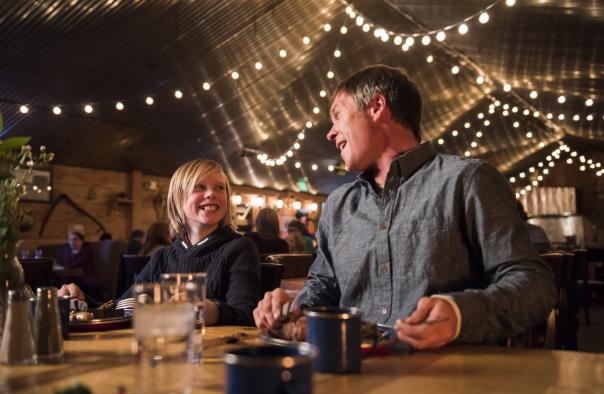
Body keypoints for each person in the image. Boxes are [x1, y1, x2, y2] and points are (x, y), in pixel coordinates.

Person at [254, 65, 557, 349]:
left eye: (337, 115)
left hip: (447, 375)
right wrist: (291, 306)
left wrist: (460, 313)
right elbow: (323, 285)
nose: (330, 133)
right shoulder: (337, 205)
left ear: (376, 107)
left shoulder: (467, 180)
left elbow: (535, 285)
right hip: (353, 372)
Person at [59, 159, 261, 326]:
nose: (211, 193)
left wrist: (214, 311)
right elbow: (124, 307)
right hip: (166, 352)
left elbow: (248, 316)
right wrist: (83, 302)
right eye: (199, 187)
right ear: (178, 199)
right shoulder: (164, 256)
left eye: (219, 187)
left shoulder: (239, 248)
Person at [59, 231, 102, 301]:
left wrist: (66, 268)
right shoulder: (66, 251)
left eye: (75, 239)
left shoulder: (86, 251)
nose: (72, 242)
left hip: (86, 277)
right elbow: (66, 264)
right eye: (70, 240)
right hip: (72, 277)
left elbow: (77, 264)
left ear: (81, 241)